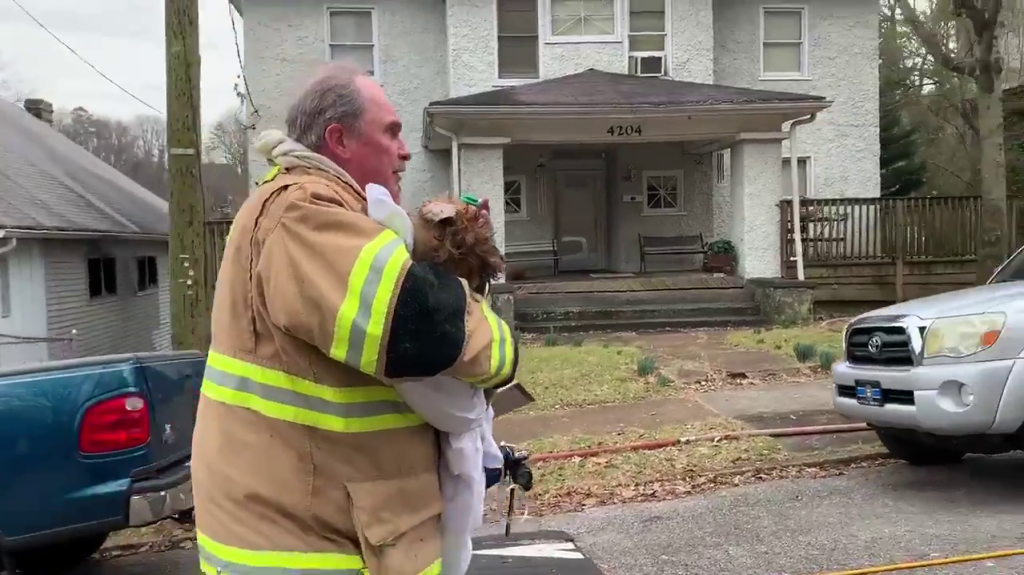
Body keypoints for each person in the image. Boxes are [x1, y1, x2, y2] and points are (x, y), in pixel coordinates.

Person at [191, 62, 519, 575]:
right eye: (391, 132)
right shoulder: (304, 212)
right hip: (313, 549)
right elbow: (424, 326)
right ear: (338, 140)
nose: (405, 150)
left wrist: (455, 250)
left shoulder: (325, 211)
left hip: (330, 529)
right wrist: (503, 348)